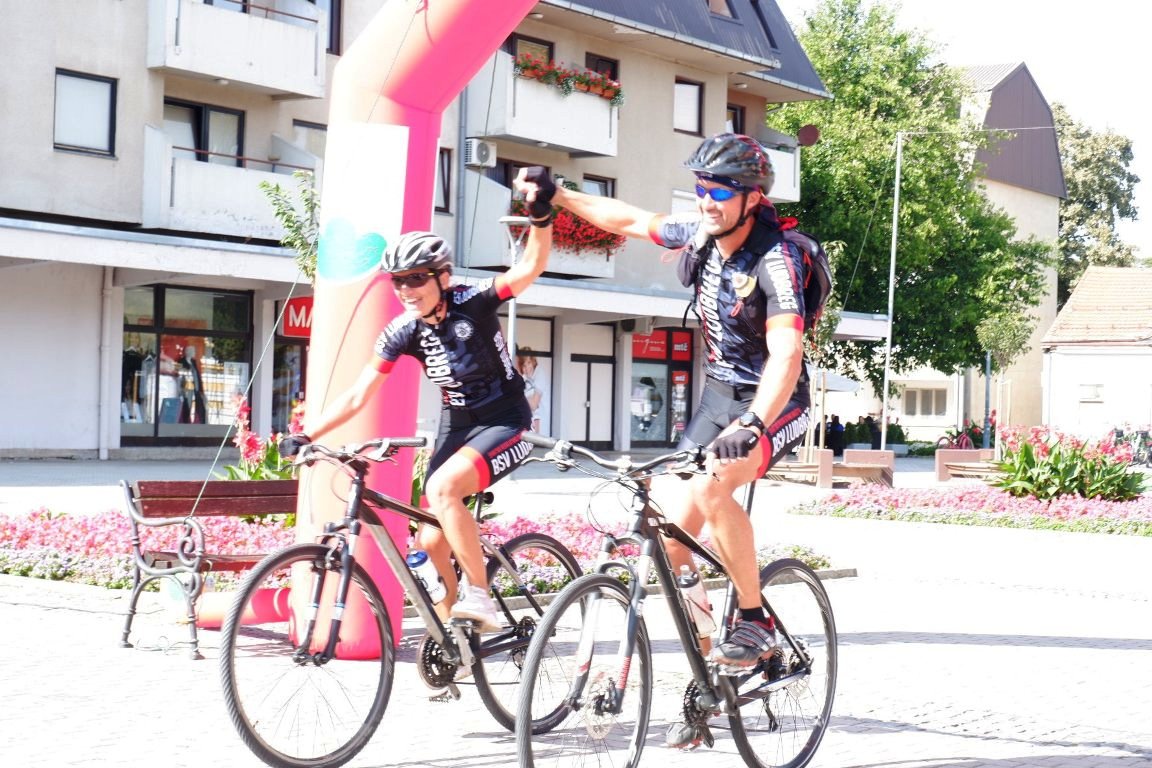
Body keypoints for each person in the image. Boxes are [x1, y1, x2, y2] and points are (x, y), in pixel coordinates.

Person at [544, 133, 812, 746]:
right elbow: (628, 219)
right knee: (669, 535)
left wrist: (755, 423)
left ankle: (754, 619)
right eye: (701, 188)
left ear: (753, 198)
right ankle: (710, 674)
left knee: (716, 486)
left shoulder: (775, 261)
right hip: (717, 396)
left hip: (774, 400)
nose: (706, 200)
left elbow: (787, 353)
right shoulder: (700, 234)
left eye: (720, 191)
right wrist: (559, 195)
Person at [281, 173, 554, 632]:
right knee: (429, 544)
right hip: (458, 425)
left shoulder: (474, 302)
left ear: (442, 277)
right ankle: (456, 642)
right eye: (398, 281)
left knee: (444, 489)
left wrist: (540, 216)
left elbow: (532, 264)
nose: (406, 289)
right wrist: (307, 434)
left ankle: (480, 595)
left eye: (415, 278)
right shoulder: (403, 331)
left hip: (506, 420)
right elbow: (359, 393)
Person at [516, 347, 543, 432]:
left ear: (533, 362)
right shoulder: (523, 379)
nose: (527, 367)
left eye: (529, 363)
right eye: (524, 365)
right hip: (524, 421)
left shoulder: (540, 376)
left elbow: (533, 406)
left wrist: (520, 394)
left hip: (535, 421)